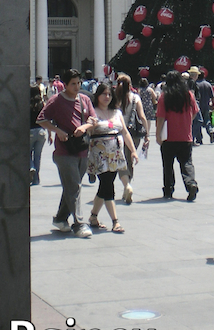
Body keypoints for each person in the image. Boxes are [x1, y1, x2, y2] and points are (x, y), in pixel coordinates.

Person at [37, 69, 96, 237]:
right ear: (65, 85)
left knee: (72, 186)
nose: (77, 87)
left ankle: (60, 218)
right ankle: (79, 224)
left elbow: (93, 119)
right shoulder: (56, 100)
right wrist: (57, 131)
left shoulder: (84, 99)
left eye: (78, 83)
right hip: (64, 151)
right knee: (74, 186)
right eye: (73, 84)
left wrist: (84, 127)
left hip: (82, 148)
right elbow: (41, 119)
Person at [87, 84, 138, 233]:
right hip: (99, 155)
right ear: (97, 95)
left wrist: (133, 151)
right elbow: (87, 131)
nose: (107, 97)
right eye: (104, 94)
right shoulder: (93, 112)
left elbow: (125, 132)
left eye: (109, 94)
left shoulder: (116, 112)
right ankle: (115, 221)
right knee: (107, 185)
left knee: (105, 186)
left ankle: (93, 216)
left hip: (115, 155)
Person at [156, 70, 199, 201]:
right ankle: (191, 184)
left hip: (168, 137)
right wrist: (187, 121)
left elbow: (161, 117)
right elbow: (195, 111)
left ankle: (168, 189)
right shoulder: (188, 95)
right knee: (186, 162)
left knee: (168, 165)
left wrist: (158, 134)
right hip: (185, 136)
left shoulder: (164, 96)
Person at [112, 74, 147, 203]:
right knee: (129, 159)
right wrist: (147, 133)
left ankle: (126, 185)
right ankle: (128, 185)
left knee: (120, 160)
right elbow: (142, 116)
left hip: (117, 133)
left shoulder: (114, 98)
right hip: (133, 134)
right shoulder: (135, 97)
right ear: (130, 85)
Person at [30, 85, 48, 186]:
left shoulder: (27, 104)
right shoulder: (42, 104)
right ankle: (36, 179)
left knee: (27, 153)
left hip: (30, 131)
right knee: (38, 156)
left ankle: (31, 167)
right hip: (41, 131)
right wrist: (50, 134)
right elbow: (47, 118)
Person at [195, 69, 214, 143]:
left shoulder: (196, 84)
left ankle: (199, 138)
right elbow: (213, 96)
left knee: (198, 122)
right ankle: (210, 131)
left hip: (197, 106)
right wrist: (213, 105)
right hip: (206, 106)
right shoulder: (208, 84)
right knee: (207, 120)